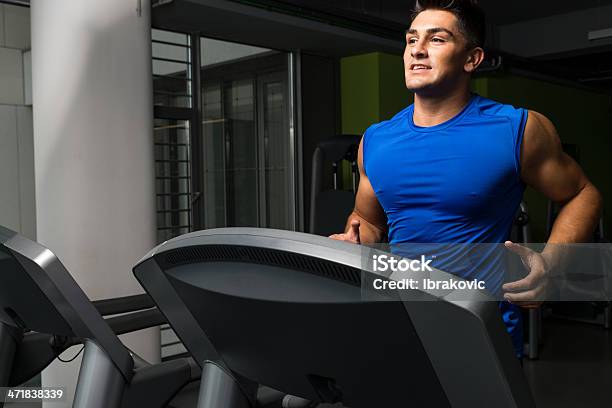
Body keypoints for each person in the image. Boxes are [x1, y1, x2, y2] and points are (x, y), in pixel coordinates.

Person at [330, 0, 603, 358]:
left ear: (472, 59)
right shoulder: (376, 140)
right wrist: (353, 240)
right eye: (411, 40)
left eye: (437, 39)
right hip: (402, 325)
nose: (418, 50)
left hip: (481, 332)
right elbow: (368, 221)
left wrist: (551, 265)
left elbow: (583, 194)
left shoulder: (516, 129)